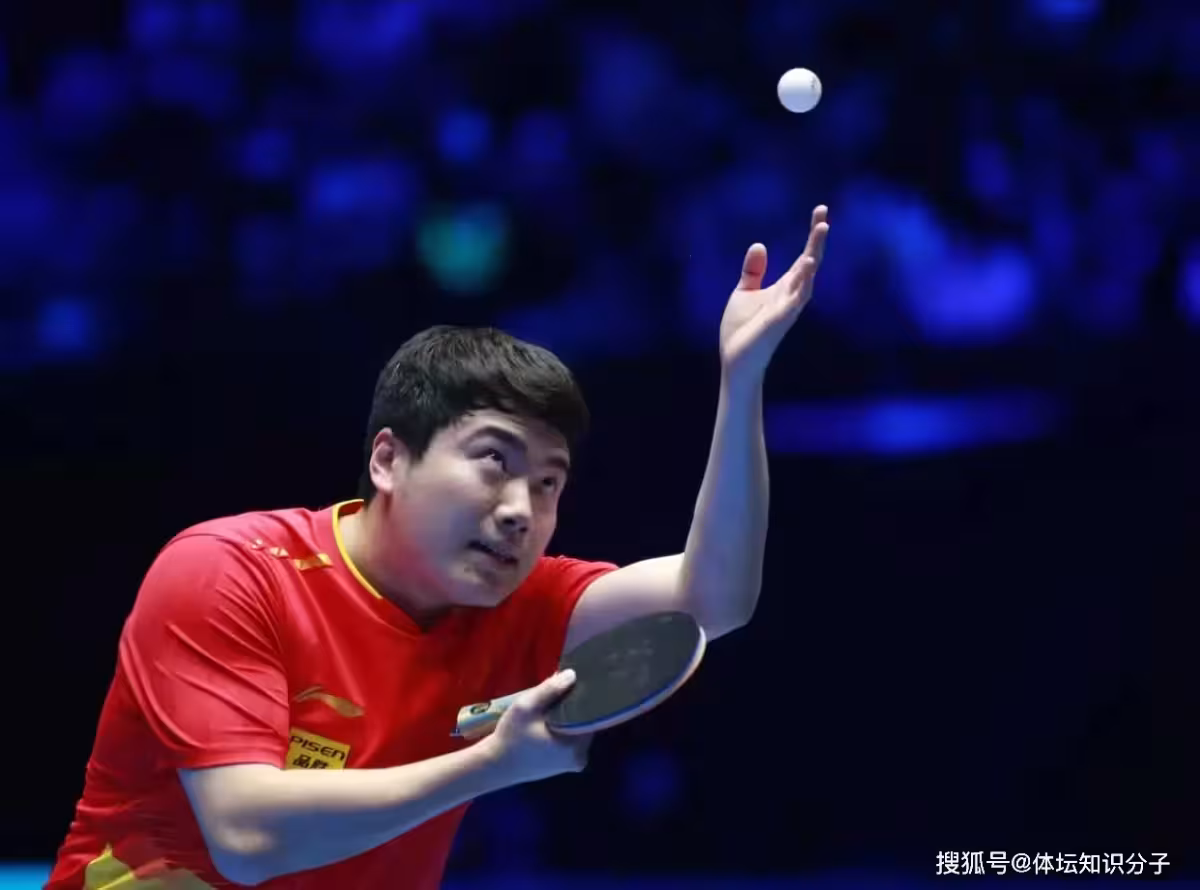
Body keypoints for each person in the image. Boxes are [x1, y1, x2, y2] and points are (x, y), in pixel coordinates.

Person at [46, 207, 829, 889]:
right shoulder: (229, 573)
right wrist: (489, 765)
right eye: (494, 462)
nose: (521, 510)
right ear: (389, 459)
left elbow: (712, 602)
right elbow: (247, 837)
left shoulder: (520, 605)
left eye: (549, 483)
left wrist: (742, 382)